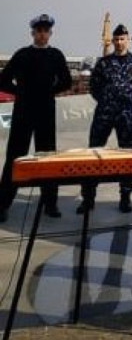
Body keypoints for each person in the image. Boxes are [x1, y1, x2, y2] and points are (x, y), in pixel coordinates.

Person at [0, 14, 72, 222]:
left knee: (47, 157)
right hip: (23, 110)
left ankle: (50, 203)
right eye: (38, 31)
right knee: (15, 157)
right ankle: (3, 203)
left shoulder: (56, 56)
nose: (42, 34)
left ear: (50, 33)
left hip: (45, 112)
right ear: (33, 33)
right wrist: (19, 92)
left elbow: (66, 81)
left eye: (45, 31)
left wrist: (49, 92)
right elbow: (3, 80)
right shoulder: (22, 54)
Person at [78, 24, 132, 214]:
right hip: (104, 113)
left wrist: (127, 99)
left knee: (127, 156)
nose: (119, 42)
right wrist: (106, 100)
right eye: (116, 39)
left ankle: (125, 197)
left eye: (122, 39)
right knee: (93, 154)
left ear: (128, 40)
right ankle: (88, 198)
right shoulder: (104, 62)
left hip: (126, 114)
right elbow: (94, 86)